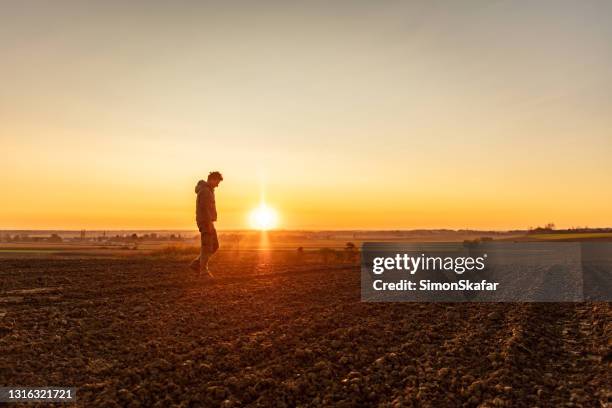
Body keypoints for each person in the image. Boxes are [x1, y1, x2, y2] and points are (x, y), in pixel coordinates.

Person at [190, 171, 223, 278]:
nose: (218, 185)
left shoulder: (208, 190)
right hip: (205, 222)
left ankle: (197, 264)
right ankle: (203, 271)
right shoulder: (205, 191)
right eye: (217, 182)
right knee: (207, 246)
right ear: (212, 179)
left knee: (215, 246)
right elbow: (204, 209)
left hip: (209, 222)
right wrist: (208, 224)